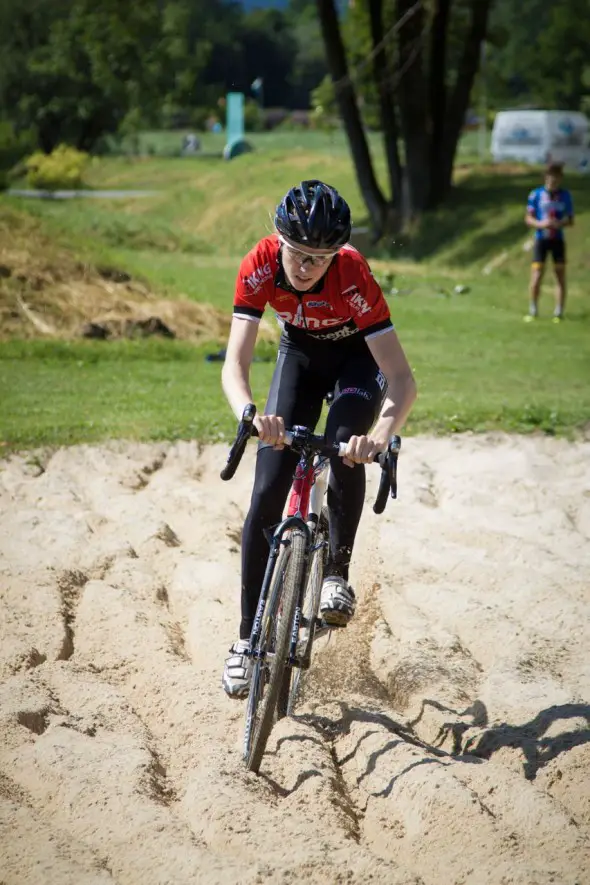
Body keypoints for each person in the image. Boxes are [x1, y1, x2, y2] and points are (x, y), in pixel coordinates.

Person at [220, 180, 417, 698]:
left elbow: (401, 379)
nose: (307, 266)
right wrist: (250, 412)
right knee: (265, 492)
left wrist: (379, 436)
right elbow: (235, 363)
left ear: (337, 254)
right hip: (300, 356)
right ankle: (246, 641)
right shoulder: (259, 263)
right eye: (299, 254)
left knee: (346, 444)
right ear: (277, 238)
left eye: (320, 257)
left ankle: (336, 572)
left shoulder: (352, 273)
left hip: (357, 360)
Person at [525, 162, 574, 323]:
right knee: (537, 274)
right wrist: (541, 224)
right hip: (541, 240)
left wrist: (559, 223)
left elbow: (570, 219)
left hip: (557, 240)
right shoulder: (536, 194)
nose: (554, 179)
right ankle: (533, 310)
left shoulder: (565, 195)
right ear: (546, 177)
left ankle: (558, 312)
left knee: (559, 275)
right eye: (551, 176)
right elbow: (528, 218)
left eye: (557, 176)